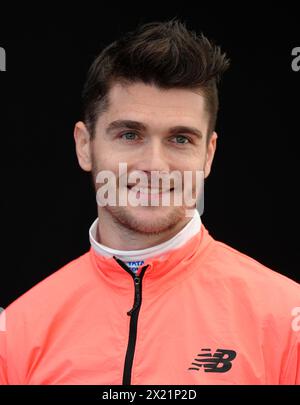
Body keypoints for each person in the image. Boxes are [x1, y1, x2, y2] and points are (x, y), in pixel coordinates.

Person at [0, 19, 299, 386]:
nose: (155, 166)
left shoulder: (288, 320)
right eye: (129, 134)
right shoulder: (16, 330)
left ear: (208, 154)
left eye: (180, 139)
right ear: (84, 145)